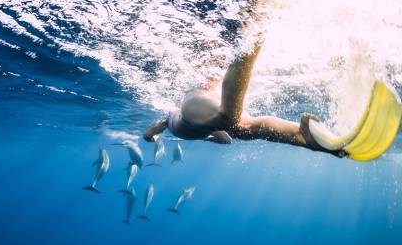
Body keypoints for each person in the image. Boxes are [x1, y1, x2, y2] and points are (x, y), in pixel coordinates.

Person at [142, 33, 344, 157]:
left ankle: (253, 35)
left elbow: (148, 133)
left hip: (191, 110)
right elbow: (226, 140)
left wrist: (151, 138)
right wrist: (208, 138)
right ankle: (306, 139)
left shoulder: (170, 114)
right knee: (243, 128)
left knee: (231, 120)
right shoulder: (211, 127)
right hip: (200, 113)